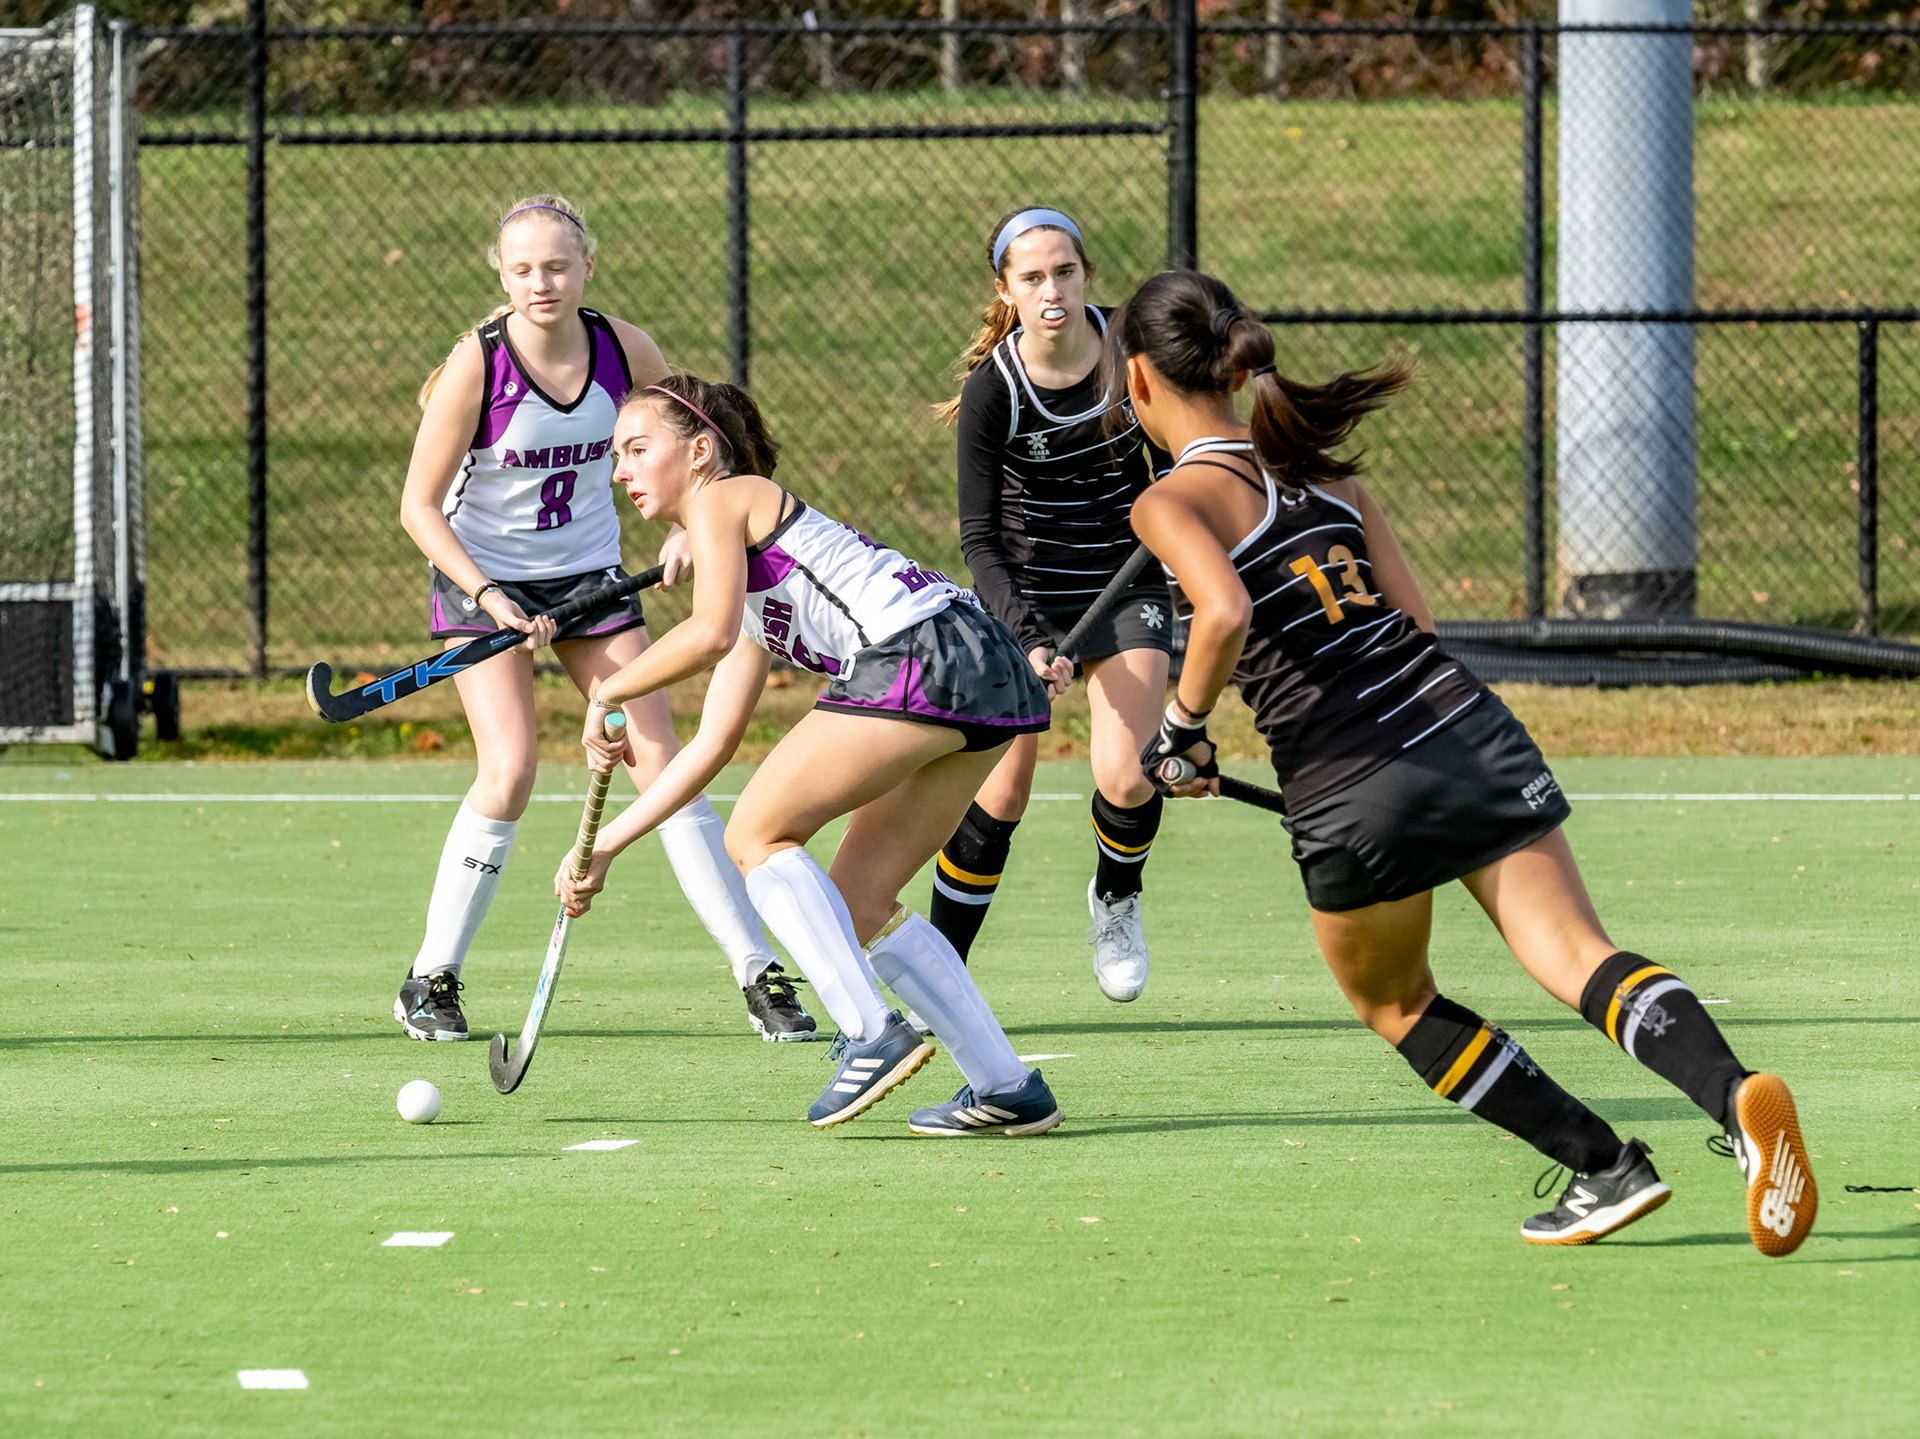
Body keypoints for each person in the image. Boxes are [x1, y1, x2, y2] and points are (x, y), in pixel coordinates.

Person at [1116, 268, 1816, 1255]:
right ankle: (1736, 1093)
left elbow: (1224, 611)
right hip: (1461, 725)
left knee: (1395, 1001)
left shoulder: (1170, 499)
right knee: (1579, 955)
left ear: (1140, 378)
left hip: (1349, 781)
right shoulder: (1333, 480)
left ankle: (1602, 1164)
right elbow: (1416, 622)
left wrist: (1182, 728)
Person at [554, 374, 1064, 1136]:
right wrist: (604, 847)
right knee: (860, 903)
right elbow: (709, 747)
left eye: (636, 449)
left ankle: (871, 1033)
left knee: (755, 834)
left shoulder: (729, 496)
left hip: (918, 651)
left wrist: (608, 690)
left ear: (700, 452)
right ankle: (1007, 1084)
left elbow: (707, 633)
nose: (619, 471)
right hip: (984, 668)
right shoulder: (753, 571)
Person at [393, 193, 813, 1046]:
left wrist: (697, 530)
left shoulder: (626, 347)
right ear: (500, 274)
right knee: (509, 769)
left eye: (556, 266)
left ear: (588, 267)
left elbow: (679, 447)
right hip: (486, 582)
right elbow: (418, 508)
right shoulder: (477, 365)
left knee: (660, 758)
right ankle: (431, 976)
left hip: (589, 577)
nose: (540, 282)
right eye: (522, 269)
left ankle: (756, 971)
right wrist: (489, 595)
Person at [931, 206, 1173, 1003]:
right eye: (1032, 277)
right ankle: (939, 975)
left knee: (1129, 774)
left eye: (1064, 271)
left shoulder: (1134, 355)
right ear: (1005, 289)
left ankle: (1116, 897)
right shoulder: (992, 390)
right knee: (1000, 793)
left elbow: (1183, 463)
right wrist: (1029, 637)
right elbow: (976, 540)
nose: (1052, 289)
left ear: (1086, 275)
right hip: (1021, 593)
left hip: (1125, 582)